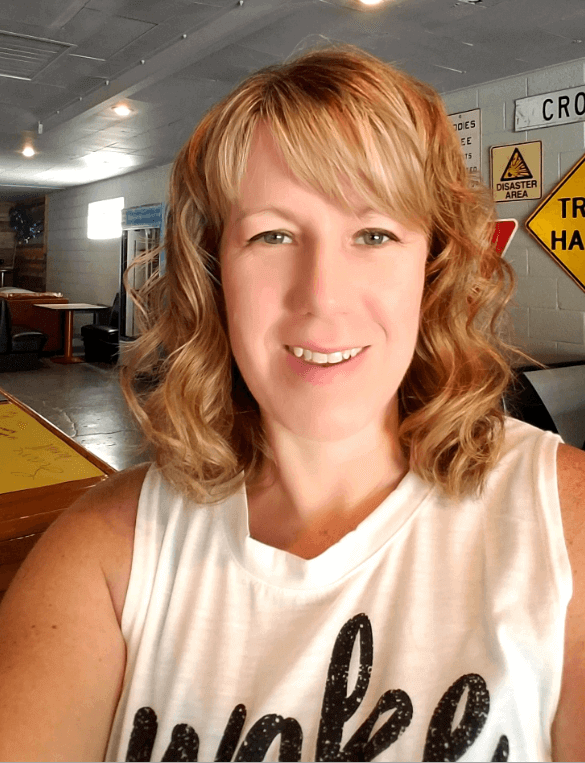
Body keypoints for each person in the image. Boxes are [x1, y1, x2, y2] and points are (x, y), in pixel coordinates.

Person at [0, 42, 584, 763]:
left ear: (431, 268)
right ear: (214, 273)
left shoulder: (564, 529)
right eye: (271, 235)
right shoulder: (106, 551)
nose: (321, 297)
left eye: (374, 234)